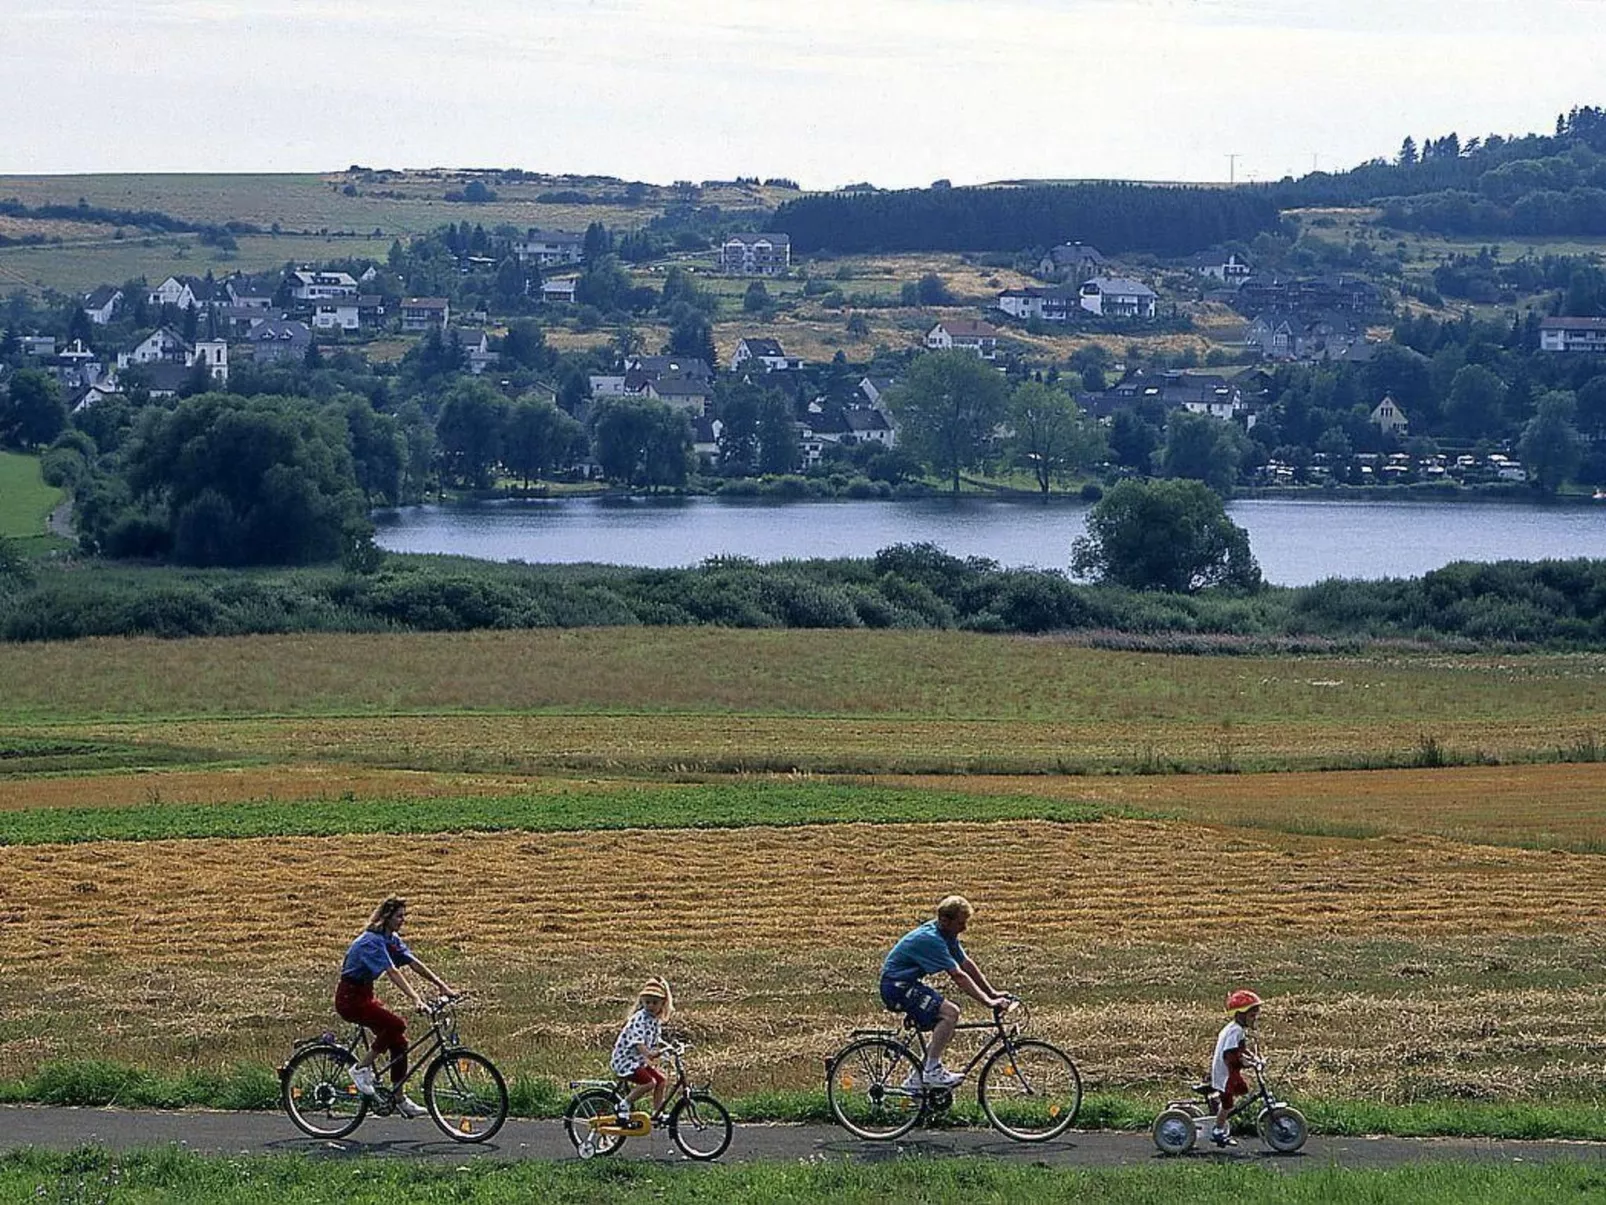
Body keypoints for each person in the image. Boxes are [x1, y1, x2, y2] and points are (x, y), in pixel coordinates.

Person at [336, 896, 458, 1118]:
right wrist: (416, 999)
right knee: (397, 1025)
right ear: (387, 917)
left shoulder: (390, 938)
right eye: (399, 916)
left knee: (400, 1043)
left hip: (365, 995)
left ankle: (399, 1099)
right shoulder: (371, 941)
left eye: (404, 916)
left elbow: (412, 962)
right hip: (350, 999)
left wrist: (442, 986)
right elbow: (392, 971)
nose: (403, 920)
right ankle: (360, 1069)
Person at [879, 895, 1012, 1089]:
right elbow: (958, 975)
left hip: (905, 984)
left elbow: (965, 964)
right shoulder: (932, 939)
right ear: (944, 920)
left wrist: (992, 993)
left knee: (947, 1024)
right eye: (961, 923)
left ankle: (917, 1080)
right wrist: (988, 1002)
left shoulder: (946, 934)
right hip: (897, 986)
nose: (964, 928)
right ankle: (932, 1070)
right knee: (950, 1013)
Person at [610, 976, 674, 1123]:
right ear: (642, 1002)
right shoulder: (640, 1019)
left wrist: (668, 1049)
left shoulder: (654, 1020)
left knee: (661, 1080)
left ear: (662, 1003)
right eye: (647, 1002)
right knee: (649, 1082)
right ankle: (623, 1104)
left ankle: (657, 1112)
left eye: (654, 1003)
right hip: (625, 1061)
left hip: (637, 1061)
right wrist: (649, 1054)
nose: (650, 1006)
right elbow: (638, 1041)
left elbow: (655, 1040)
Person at [1210, 989, 1263, 1147]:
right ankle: (1218, 1130)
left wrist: (1253, 1058)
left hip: (1226, 1070)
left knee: (1239, 1090)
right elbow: (1231, 1055)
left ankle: (1216, 1102)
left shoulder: (1236, 1029)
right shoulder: (1235, 1031)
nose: (1254, 1019)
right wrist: (1245, 1063)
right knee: (1228, 1103)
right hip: (1225, 1072)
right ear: (1241, 1015)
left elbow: (1241, 1049)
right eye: (1252, 1015)